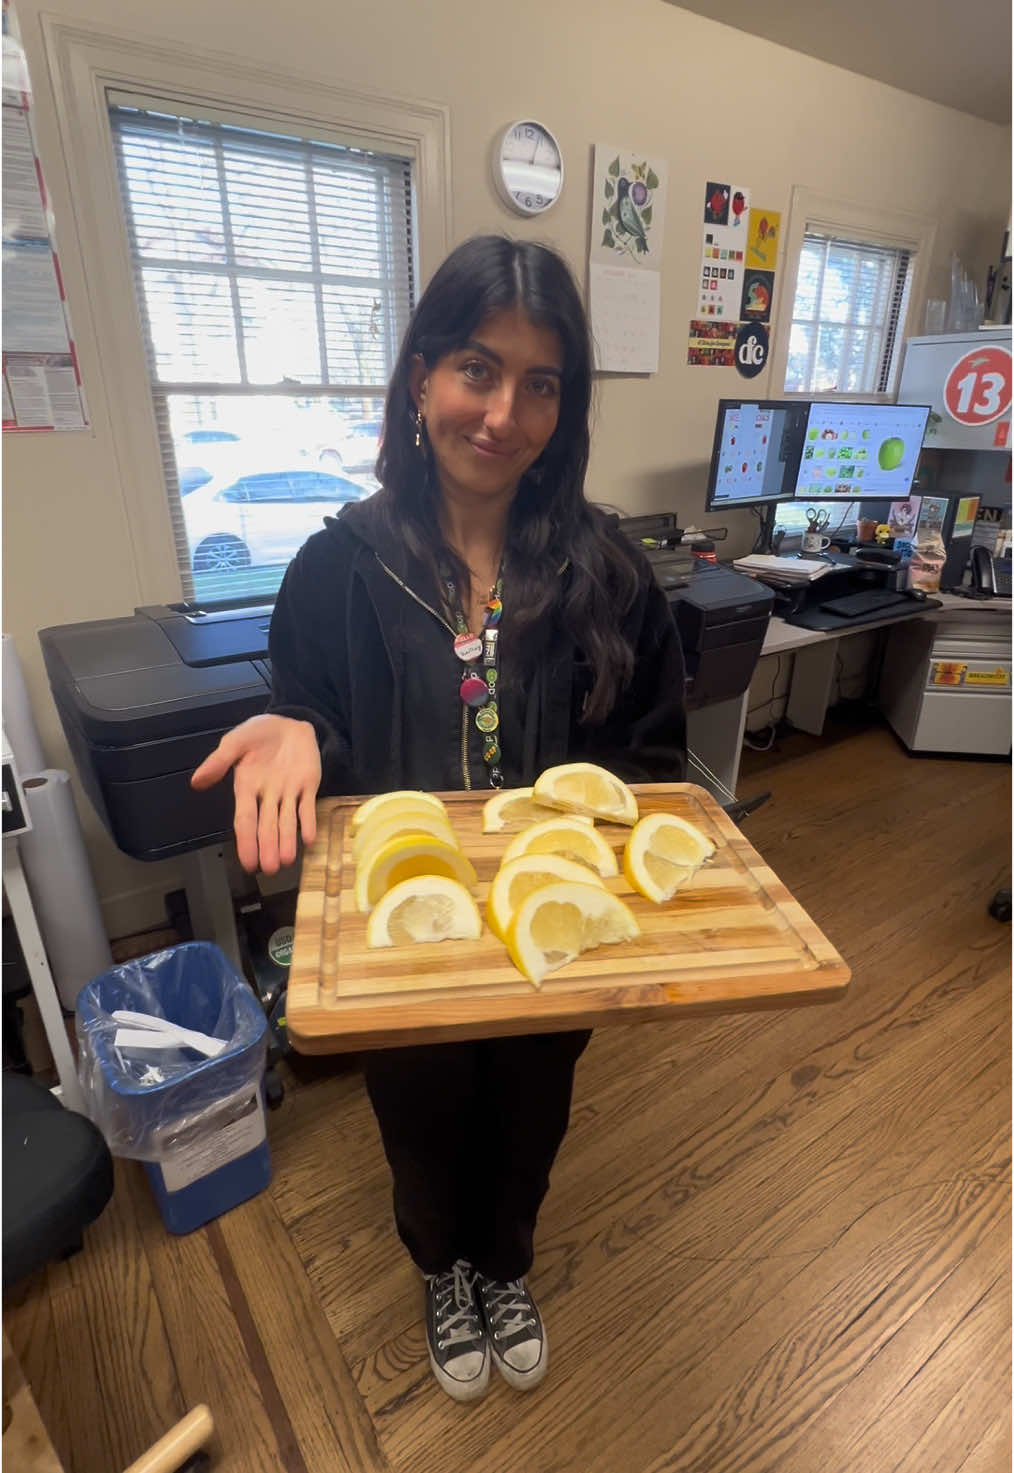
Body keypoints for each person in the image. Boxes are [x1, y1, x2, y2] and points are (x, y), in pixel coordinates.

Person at [191, 235, 687, 1402]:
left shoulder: (607, 572)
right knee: (420, 1122)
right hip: (402, 952)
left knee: (530, 1115)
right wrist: (300, 726)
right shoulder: (335, 571)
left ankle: (503, 1263)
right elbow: (312, 712)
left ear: (566, 407)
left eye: (541, 384)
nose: (503, 412)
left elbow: (649, 761)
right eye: (477, 367)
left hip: (547, 939)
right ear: (420, 378)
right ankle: (438, 1267)